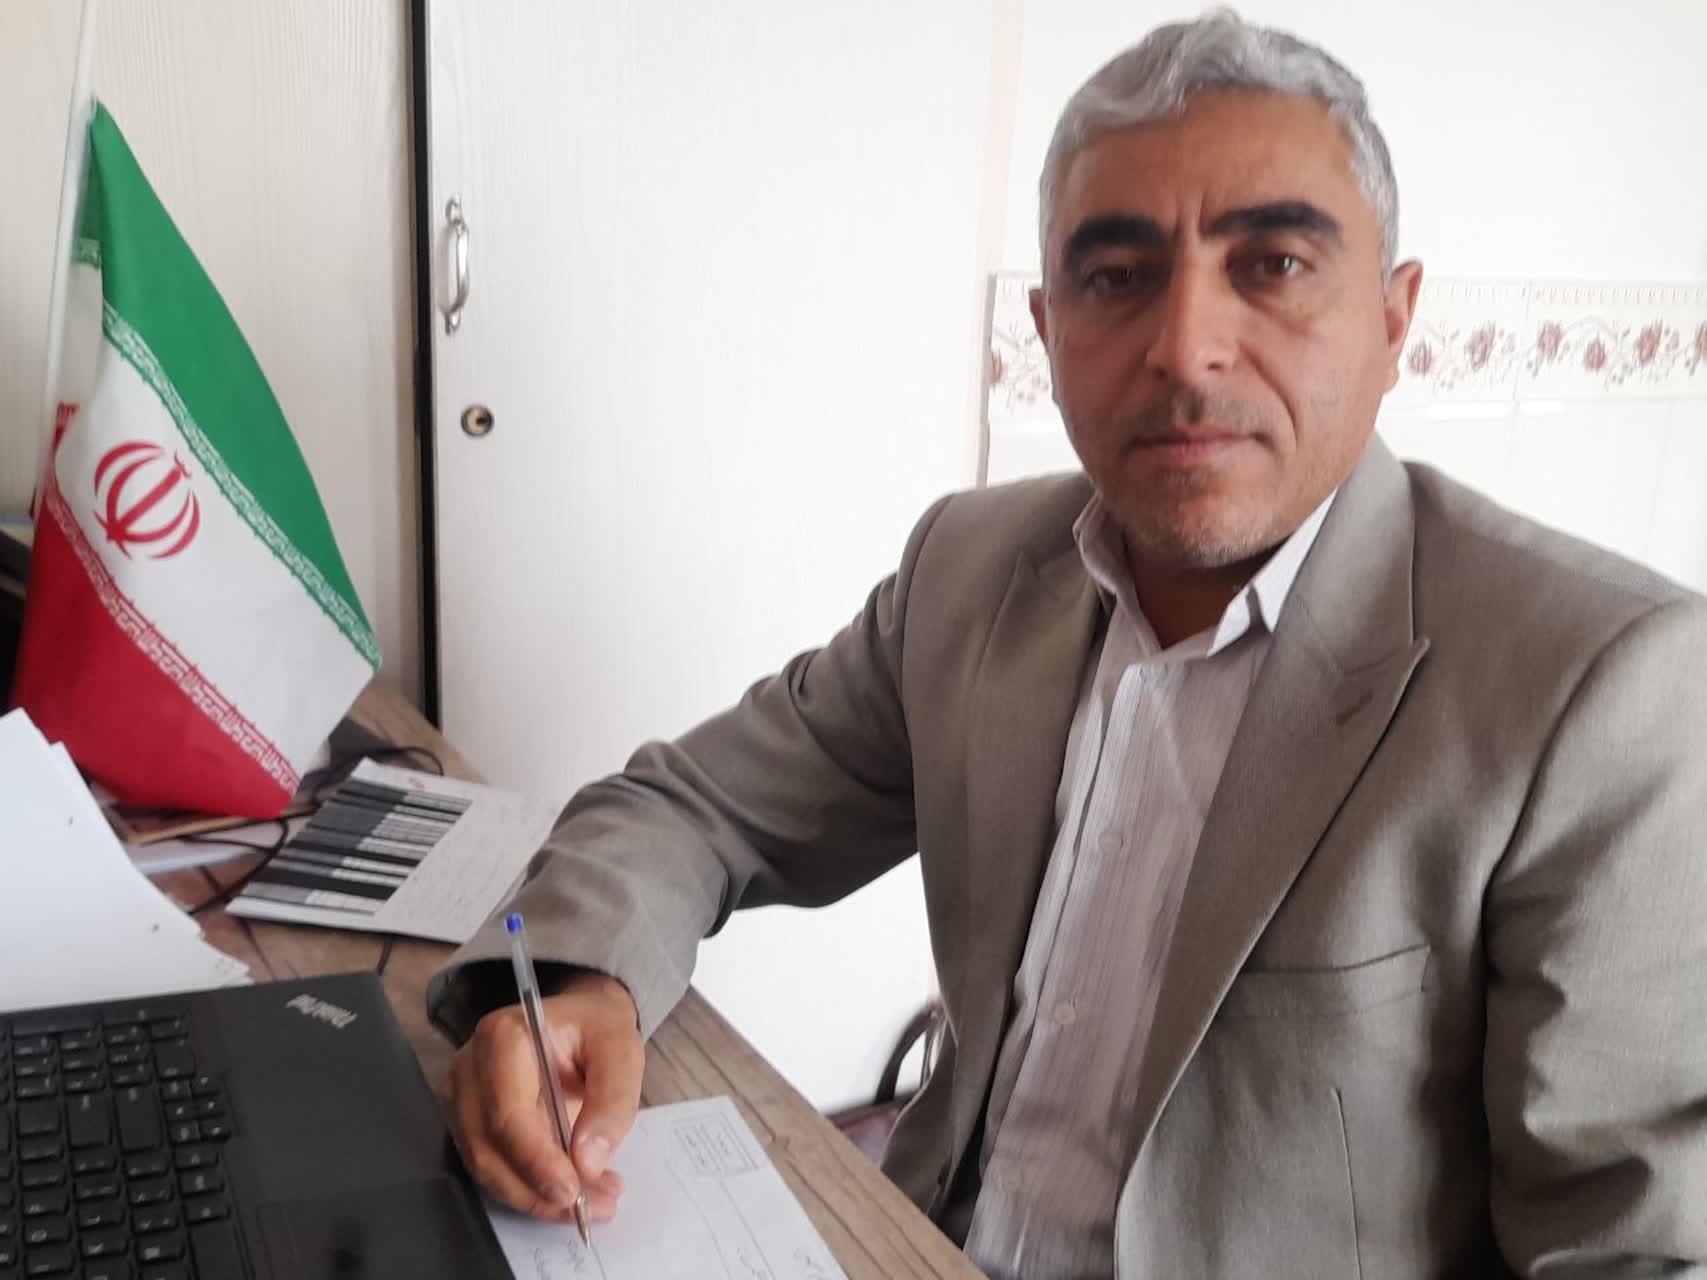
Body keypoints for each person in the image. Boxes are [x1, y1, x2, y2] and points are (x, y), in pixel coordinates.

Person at [426, 9, 1707, 1277]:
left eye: (1272, 264)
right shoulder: (974, 569)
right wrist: (584, 983)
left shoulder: (1597, 689)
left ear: (1393, 320)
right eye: (1117, 276)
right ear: (1048, 334)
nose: (1186, 349)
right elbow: (694, 805)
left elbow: (1629, 1253)